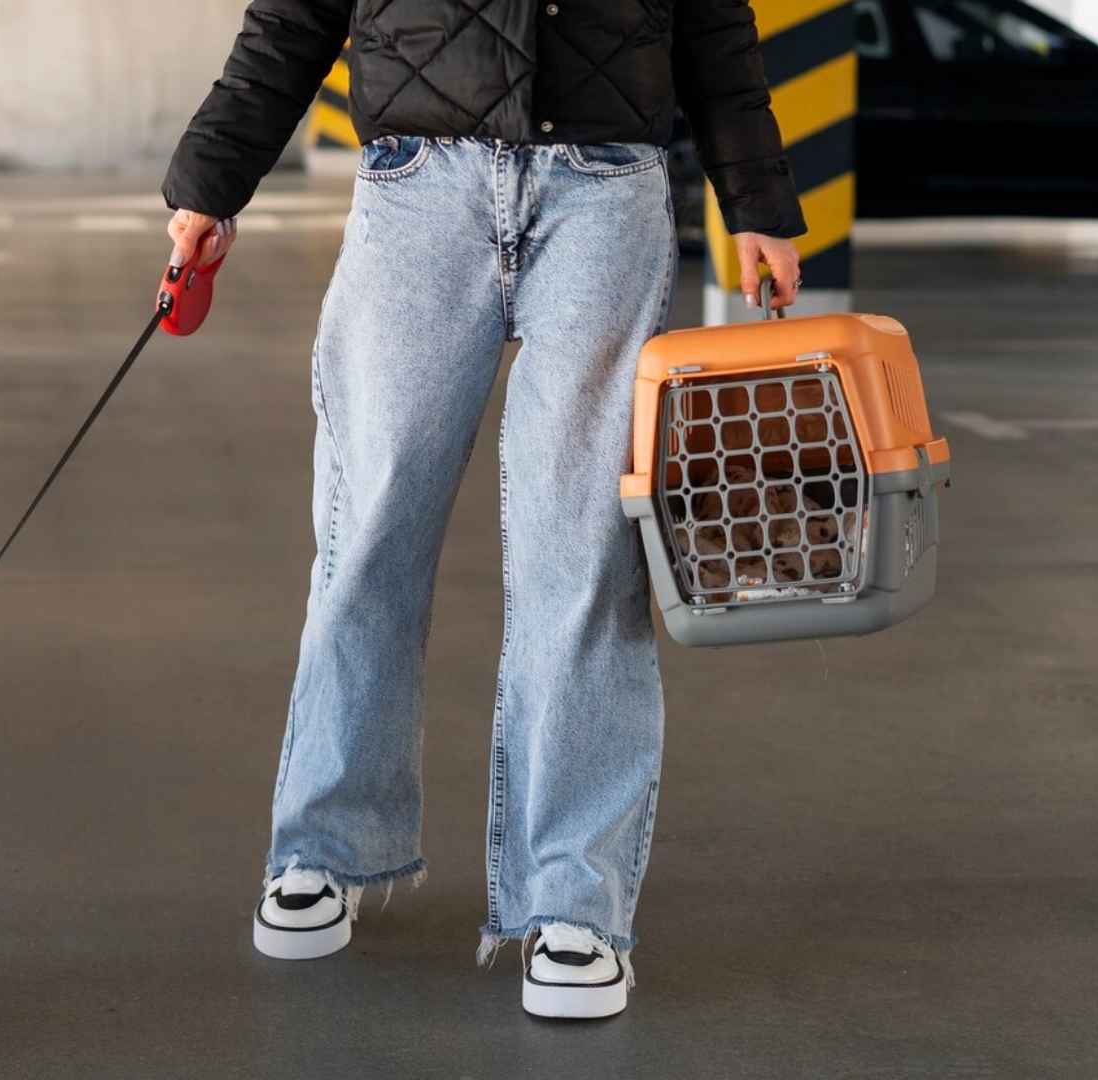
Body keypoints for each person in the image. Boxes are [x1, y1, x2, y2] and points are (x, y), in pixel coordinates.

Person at [161, 0, 803, 1020]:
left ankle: (574, 901)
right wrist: (210, 185)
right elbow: (293, 18)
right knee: (367, 531)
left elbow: (713, 22)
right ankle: (323, 849)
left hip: (607, 191)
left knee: (583, 550)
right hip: (419, 189)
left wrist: (758, 201)